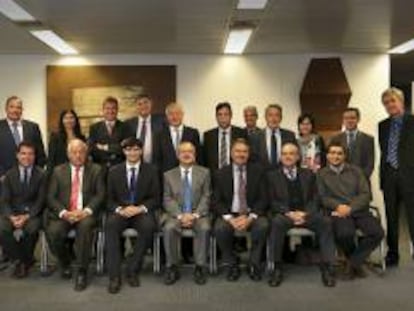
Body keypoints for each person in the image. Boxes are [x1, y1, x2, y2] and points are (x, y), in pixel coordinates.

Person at [267, 142, 335, 287]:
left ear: (298, 157)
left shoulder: (308, 174)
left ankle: (327, 266)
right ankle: (277, 267)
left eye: (291, 153)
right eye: (284, 154)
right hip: (285, 214)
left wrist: (305, 213)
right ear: (280, 157)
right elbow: (271, 201)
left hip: (306, 213)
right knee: (276, 223)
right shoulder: (272, 176)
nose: (288, 157)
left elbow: (315, 198)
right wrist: (289, 213)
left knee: (326, 222)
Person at [317, 142, 384, 279]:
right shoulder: (321, 174)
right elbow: (322, 197)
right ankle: (356, 263)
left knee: (377, 233)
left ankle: (352, 263)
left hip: (358, 210)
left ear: (345, 156)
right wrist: (338, 206)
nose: (336, 156)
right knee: (344, 234)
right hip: (338, 212)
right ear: (327, 155)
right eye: (332, 153)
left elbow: (365, 194)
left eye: (339, 153)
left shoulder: (356, 171)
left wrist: (351, 207)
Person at [46, 139, 104, 291]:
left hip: (85, 214)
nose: (78, 155)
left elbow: (100, 195)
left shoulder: (96, 170)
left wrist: (85, 211)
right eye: (74, 152)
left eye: (81, 152)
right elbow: (51, 197)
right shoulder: (58, 171)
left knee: (85, 230)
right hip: (66, 213)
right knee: (54, 232)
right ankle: (65, 263)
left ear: (86, 154)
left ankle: (82, 271)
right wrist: (65, 213)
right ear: (68, 154)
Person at [105, 137, 159, 294]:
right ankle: (114, 277)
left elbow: (156, 198)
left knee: (149, 227)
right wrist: (119, 209)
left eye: (136, 149)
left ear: (141, 151)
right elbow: (108, 199)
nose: (133, 152)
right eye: (129, 149)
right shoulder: (114, 171)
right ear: (124, 151)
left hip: (140, 211)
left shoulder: (151, 170)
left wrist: (140, 208)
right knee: (110, 226)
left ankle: (132, 270)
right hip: (121, 211)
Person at [212, 138, 268, 282]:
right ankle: (232, 263)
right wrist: (230, 218)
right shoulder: (221, 173)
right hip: (230, 213)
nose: (241, 154)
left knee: (262, 226)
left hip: (251, 213)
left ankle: (254, 263)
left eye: (244, 151)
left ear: (249, 154)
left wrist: (250, 217)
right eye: (237, 151)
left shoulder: (258, 171)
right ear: (231, 153)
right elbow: (216, 201)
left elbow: (263, 198)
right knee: (220, 228)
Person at [162, 141, 211, 285]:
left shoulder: (205, 172)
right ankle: (172, 266)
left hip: (198, 214)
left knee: (204, 228)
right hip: (176, 214)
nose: (187, 154)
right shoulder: (168, 175)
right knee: (169, 228)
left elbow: (207, 195)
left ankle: (200, 267)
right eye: (183, 151)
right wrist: (180, 215)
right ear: (178, 155)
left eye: (190, 151)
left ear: (195, 155)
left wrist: (195, 215)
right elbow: (167, 198)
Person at [379, 87, 414, 266]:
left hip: (410, 177)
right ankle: (393, 253)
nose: (390, 105)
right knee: (391, 217)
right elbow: (385, 152)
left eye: (393, 101)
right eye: (386, 103)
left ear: (401, 102)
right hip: (389, 176)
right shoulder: (382, 126)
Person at [0, 141, 46, 278]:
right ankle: (22, 260)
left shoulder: (42, 174)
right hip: (12, 213)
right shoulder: (9, 175)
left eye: (30, 154)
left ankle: (21, 262)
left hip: (33, 213)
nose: (27, 157)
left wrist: (27, 216)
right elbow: (5, 200)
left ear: (34, 156)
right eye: (23, 153)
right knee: (1, 227)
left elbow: (41, 200)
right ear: (17, 155)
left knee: (32, 229)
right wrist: (11, 216)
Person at [0, 96, 46, 179]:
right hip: (4, 179)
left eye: (18, 107)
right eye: (12, 107)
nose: (15, 110)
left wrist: (36, 175)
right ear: (6, 109)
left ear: (22, 110)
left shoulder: (33, 127)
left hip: (30, 180)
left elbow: (40, 154)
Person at [156, 102, 202, 172]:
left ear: (182, 115)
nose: (174, 117)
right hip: (166, 175)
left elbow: (198, 156)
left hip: (189, 173)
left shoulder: (193, 133)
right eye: (171, 114)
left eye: (177, 113)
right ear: (167, 116)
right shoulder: (159, 135)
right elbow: (157, 159)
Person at [330, 107, 374, 180]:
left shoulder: (368, 139)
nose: (349, 121)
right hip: (339, 182)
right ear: (343, 120)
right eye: (346, 118)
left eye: (352, 118)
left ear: (358, 119)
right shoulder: (335, 139)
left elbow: (369, 165)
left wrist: (361, 180)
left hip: (361, 183)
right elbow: (331, 161)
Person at [203, 102, 246, 173]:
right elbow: (204, 159)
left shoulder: (241, 133)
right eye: (220, 115)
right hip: (214, 176)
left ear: (231, 116)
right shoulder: (208, 136)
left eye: (226, 114)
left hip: (235, 175)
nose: (223, 118)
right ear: (216, 117)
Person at [250, 104, 296, 169]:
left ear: (281, 118)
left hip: (283, 175)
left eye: (277, 115)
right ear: (265, 117)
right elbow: (253, 159)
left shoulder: (290, 135)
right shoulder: (255, 136)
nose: (273, 119)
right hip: (262, 176)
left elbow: (295, 156)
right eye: (270, 115)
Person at [88, 96, 127, 169]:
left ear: (117, 110)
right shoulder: (94, 128)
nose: (110, 111)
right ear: (103, 110)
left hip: (119, 168)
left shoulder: (125, 127)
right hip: (100, 168)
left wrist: (104, 147)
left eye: (113, 108)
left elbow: (125, 148)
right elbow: (92, 149)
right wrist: (115, 147)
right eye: (107, 108)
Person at [124, 94, 164, 164]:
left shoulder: (161, 121)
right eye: (139, 104)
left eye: (146, 102)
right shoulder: (128, 124)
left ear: (151, 104)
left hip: (156, 166)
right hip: (134, 165)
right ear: (136, 107)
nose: (143, 106)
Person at [47, 109, 85, 175]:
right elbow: (51, 159)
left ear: (75, 120)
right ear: (62, 121)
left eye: (71, 118)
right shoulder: (55, 137)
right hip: (60, 173)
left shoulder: (81, 137)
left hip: (77, 173)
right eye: (66, 118)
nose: (69, 120)